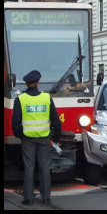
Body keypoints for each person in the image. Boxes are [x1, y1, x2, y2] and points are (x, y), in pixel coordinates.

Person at [12, 70, 61, 206]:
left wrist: (21, 136)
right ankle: (46, 198)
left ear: (27, 84)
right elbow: (56, 121)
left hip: (27, 139)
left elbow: (15, 123)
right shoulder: (46, 98)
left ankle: (29, 199)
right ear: (38, 84)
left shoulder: (20, 99)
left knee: (29, 167)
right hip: (44, 138)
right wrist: (56, 138)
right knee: (45, 167)